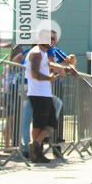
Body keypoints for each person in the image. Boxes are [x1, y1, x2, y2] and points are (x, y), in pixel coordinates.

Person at [26, 32, 58, 163]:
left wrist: (64, 69)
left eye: (52, 39)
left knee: (51, 122)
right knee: (39, 124)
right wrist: (49, 78)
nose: (50, 41)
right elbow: (34, 74)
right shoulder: (36, 53)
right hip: (38, 93)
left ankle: (36, 144)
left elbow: (49, 65)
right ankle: (36, 150)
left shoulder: (43, 54)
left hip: (45, 93)